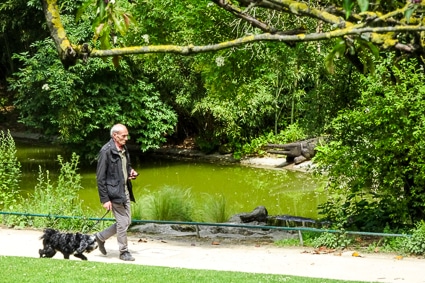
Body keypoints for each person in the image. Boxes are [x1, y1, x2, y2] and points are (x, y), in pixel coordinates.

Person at [95, 123, 138, 261]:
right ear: (115, 135)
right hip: (113, 193)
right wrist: (105, 199)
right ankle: (123, 251)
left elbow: (126, 165)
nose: (126, 138)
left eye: (126, 135)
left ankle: (100, 237)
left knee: (126, 221)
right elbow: (100, 178)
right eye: (123, 136)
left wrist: (130, 171)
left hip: (124, 190)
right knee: (122, 223)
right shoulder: (106, 151)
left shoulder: (123, 148)